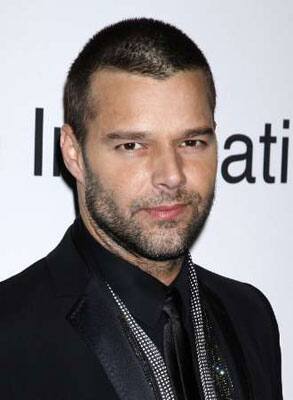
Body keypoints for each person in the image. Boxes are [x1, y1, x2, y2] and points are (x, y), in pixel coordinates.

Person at [0, 18, 282, 400]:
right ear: (73, 153)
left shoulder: (250, 314)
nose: (171, 176)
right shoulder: (10, 331)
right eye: (132, 146)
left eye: (192, 142)